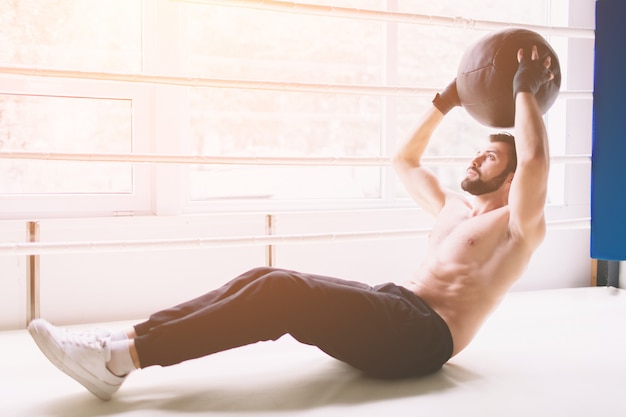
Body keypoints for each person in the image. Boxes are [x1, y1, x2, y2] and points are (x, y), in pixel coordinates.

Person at [28, 45, 555, 401]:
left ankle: (123, 360)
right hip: (397, 303)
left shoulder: (518, 227)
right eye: (478, 152)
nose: (474, 160)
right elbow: (405, 162)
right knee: (262, 277)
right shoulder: (453, 210)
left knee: (281, 291)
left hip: (423, 338)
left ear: (510, 179)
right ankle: (122, 339)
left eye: (488, 158)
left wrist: (523, 89)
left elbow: (535, 162)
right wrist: (445, 101)